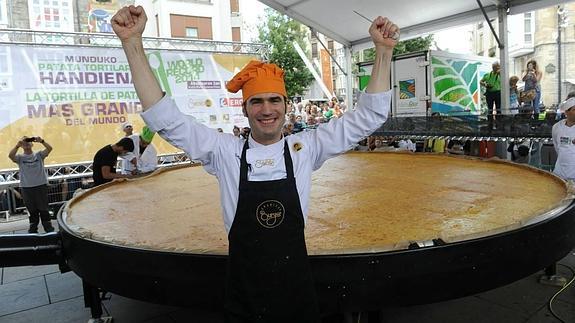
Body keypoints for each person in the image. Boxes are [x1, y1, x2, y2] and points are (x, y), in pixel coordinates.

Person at [112, 5, 397, 322]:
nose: (266, 109)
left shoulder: (305, 148)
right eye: (256, 101)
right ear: (245, 109)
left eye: (274, 100)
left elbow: (368, 117)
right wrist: (132, 43)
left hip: (298, 297)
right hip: (244, 301)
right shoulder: (223, 152)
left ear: (286, 106)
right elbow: (166, 118)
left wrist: (383, 52)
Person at [8, 136, 54, 233]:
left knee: (43, 208)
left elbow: (49, 148)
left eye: (28, 141)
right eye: (24, 141)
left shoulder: (39, 155)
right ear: (21, 145)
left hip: (40, 185)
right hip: (26, 187)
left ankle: (48, 228)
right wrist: (17, 145)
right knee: (31, 209)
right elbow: (11, 156)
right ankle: (33, 229)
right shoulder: (20, 157)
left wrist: (42, 141)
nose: (26, 142)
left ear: (32, 143)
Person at [552, 97, 575, 180]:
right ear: (566, 112)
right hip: (559, 173)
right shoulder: (557, 127)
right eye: (574, 110)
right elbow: (557, 146)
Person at [480, 61, 501, 128]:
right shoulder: (487, 75)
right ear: (492, 67)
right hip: (489, 93)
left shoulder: (501, 74)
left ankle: (498, 125)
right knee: (490, 109)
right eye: (495, 67)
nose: (496, 68)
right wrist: (485, 84)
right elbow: (480, 81)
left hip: (498, 93)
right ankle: (490, 125)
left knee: (498, 109)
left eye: (498, 67)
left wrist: (500, 73)